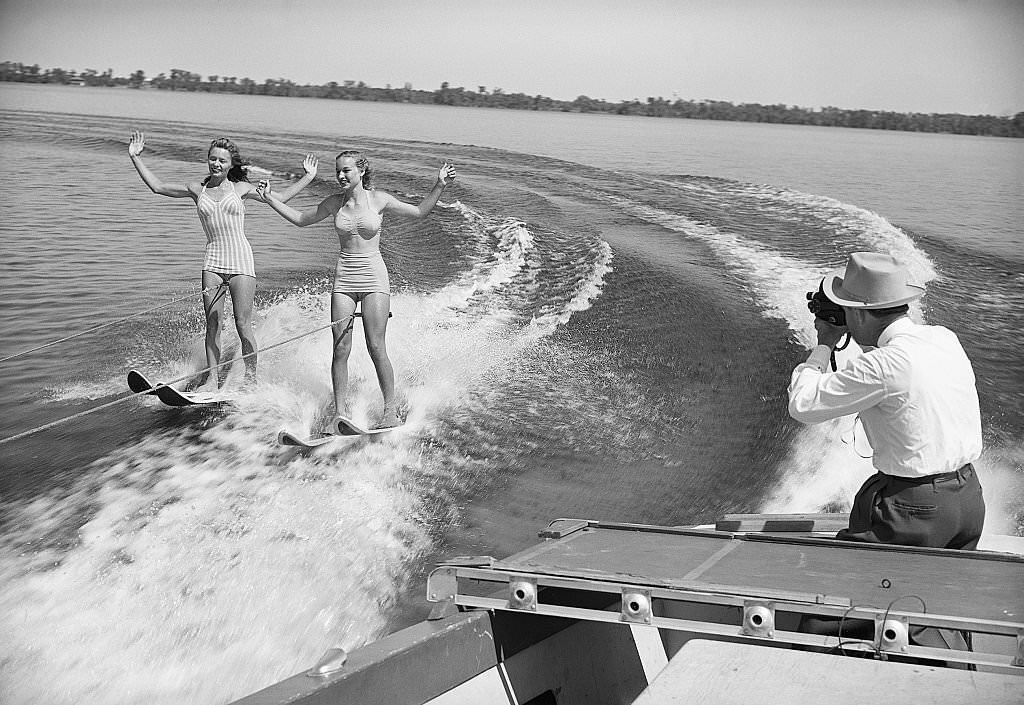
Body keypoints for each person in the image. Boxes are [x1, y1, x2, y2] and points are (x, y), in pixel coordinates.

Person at [789, 252, 986, 652]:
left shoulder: (884, 364)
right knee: (934, 606)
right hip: (966, 499)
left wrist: (824, 346)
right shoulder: (943, 339)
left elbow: (803, 405)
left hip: (913, 508)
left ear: (859, 314)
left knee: (828, 610)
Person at [255, 150, 456, 428]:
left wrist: (440, 184)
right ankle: (339, 413)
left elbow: (420, 212)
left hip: (374, 278)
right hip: (344, 280)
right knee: (340, 348)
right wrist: (269, 199)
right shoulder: (334, 204)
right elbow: (301, 219)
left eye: (346, 170)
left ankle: (389, 411)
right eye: (338, 171)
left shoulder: (379, 200)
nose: (340, 175)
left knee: (376, 346)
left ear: (361, 171)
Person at [128, 131, 318, 389]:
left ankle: (250, 379)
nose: (216, 164)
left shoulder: (241, 189)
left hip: (241, 262)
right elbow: (158, 187)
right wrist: (135, 157)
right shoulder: (198, 190)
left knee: (242, 324)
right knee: (213, 323)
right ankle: (213, 380)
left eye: (222, 161)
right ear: (207, 160)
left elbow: (281, 199)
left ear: (231, 165)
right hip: (213, 261)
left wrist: (308, 176)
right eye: (213, 159)